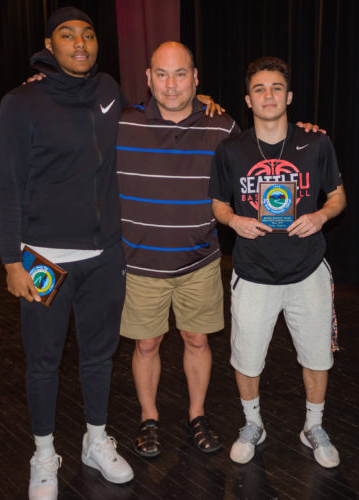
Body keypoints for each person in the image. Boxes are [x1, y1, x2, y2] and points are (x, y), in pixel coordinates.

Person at [0, 7, 134, 499]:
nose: (80, 43)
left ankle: (95, 440)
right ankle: (43, 453)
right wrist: (13, 260)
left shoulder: (109, 91)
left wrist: (197, 101)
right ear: (49, 46)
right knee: (43, 361)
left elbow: (146, 122)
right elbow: (5, 186)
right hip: (42, 260)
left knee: (99, 355)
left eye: (89, 35)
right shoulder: (21, 102)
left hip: (104, 256)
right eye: (68, 36)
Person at [209, 56, 346, 468]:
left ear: (289, 96)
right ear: (248, 100)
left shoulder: (316, 143)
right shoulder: (231, 149)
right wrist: (234, 219)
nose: (267, 95)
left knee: (317, 356)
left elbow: (337, 196)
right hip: (253, 273)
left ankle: (313, 427)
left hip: (308, 271)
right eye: (258, 89)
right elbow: (217, 203)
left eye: (275, 88)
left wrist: (321, 215)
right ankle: (253, 424)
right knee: (247, 358)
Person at [117, 41, 240, 457]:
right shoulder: (121, 125)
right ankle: (148, 418)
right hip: (139, 264)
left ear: (196, 78)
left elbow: (261, 159)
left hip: (199, 262)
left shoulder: (222, 127)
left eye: (181, 73)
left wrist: (305, 132)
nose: (171, 85)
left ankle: (197, 415)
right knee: (146, 345)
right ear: (148, 77)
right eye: (162, 74)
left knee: (198, 341)